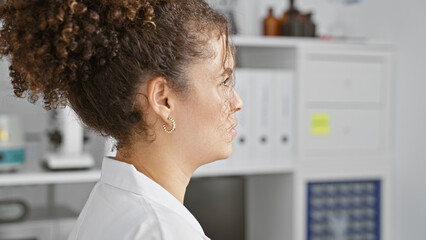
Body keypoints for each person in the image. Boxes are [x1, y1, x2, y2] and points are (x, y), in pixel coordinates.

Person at [0, 0, 243, 239]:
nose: (237, 102)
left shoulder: (109, 202)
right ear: (163, 100)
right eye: (223, 82)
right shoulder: (164, 231)